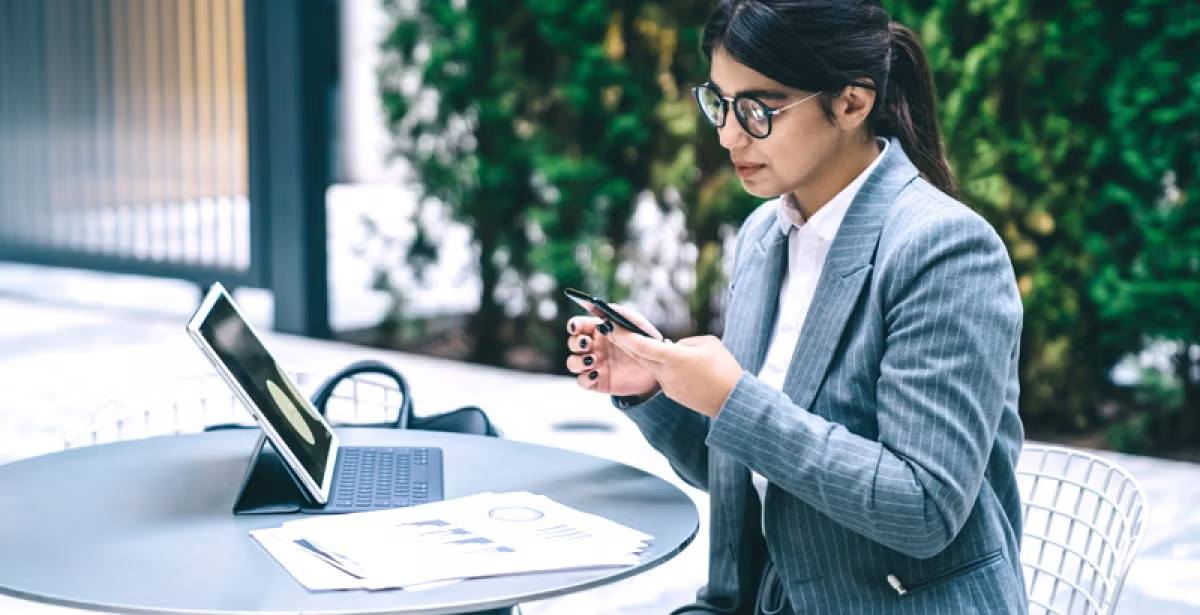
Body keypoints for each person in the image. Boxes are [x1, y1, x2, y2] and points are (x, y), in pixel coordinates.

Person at [565, 1, 1027, 613]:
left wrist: (733, 399)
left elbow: (923, 509)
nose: (729, 134)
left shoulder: (943, 250)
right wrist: (656, 391)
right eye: (720, 103)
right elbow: (750, 467)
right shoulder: (765, 236)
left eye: (758, 109)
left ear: (851, 103)